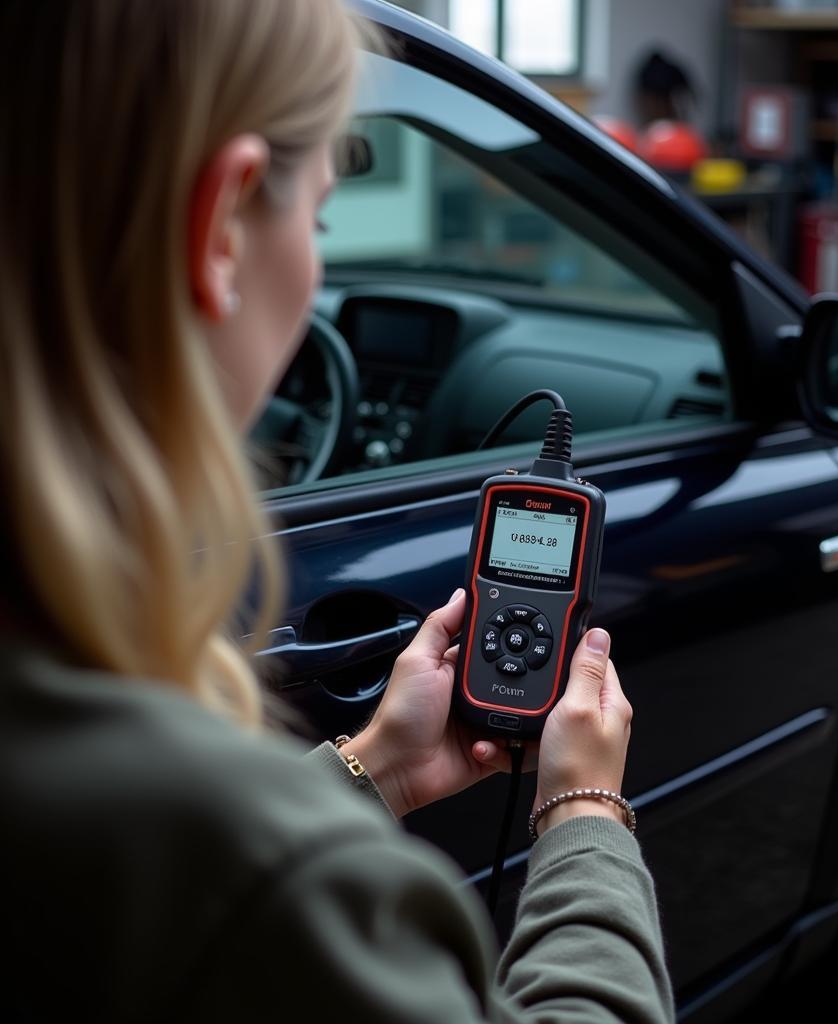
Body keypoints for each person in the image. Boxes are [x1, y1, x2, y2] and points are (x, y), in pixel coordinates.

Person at [0, 2, 673, 1021]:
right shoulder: (258, 871)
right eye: (315, 219)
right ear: (221, 225)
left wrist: (371, 771)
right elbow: (227, 879)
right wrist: (584, 810)